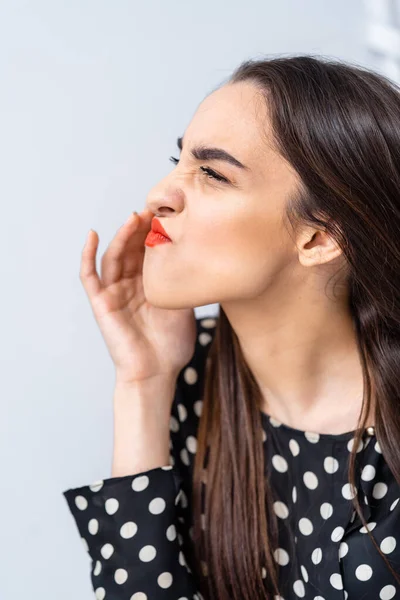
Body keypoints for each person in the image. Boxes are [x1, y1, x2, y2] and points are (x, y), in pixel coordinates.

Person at [62, 55, 400, 600]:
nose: (159, 195)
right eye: (178, 160)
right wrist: (143, 382)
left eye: (212, 173)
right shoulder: (186, 378)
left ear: (319, 239)